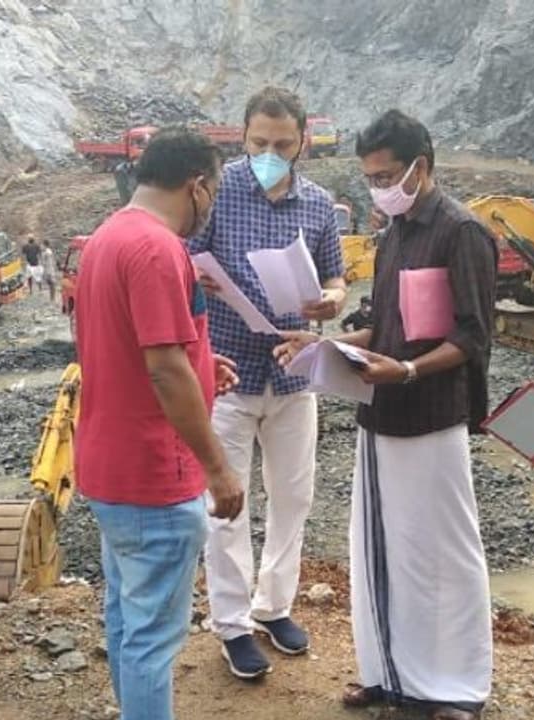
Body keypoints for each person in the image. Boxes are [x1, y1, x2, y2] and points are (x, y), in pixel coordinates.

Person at [274, 109, 498, 720]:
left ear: (420, 166)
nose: (378, 188)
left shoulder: (462, 233)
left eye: (386, 176)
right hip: (380, 414)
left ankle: (455, 687)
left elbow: (473, 339)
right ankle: (388, 673)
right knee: (378, 547)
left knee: (444, 552)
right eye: (370, 178)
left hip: (432, 416)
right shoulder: (393, 233)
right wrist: (323, 349)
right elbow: (387, 325)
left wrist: (405, 371)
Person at [74, 128, 245, 720]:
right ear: (197, 185)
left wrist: (202, 361)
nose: (212, 204)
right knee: (153, 638)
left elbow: (142, 346)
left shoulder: (108, 236)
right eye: (215, 191)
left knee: (126, 617)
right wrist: (217, 468)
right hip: (153, 473)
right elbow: (164, 368)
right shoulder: (157, 248)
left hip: (106, 466)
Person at [189, 86, 345, 680]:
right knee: (227, 500)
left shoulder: (318, 203)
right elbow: (183, 254)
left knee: (294, 496)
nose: (270, 153)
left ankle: (274, 605)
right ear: (242, 136)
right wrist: (198, 278)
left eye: (282, 144)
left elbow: (335, 277)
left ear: (303, 141)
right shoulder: (217, 190)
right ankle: (231, 623)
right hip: (227, 368)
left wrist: (329, 301)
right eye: (259, 143)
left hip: (294, 372)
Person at [40, 239, 59, 303]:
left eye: (42, 245)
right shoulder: (44, 252)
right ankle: (51, 298)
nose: (41, 246)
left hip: (49, 270)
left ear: (45, 245)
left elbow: (50, 263)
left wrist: (49, 272)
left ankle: (53, 298)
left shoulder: (48, 253)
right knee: (50, 283)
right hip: (47, 269)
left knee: (52, 283)